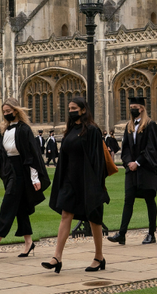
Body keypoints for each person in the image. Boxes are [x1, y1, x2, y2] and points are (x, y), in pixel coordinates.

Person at [43, 97, 109, 273]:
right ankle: (57, 257)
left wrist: (97, 184)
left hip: (87, 180)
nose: (71, 111)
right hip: (70, 180)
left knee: (94, 218)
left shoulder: (93, 131)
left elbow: (97, 160)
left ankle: (99, 257)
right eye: (69, 108)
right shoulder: (70, 131)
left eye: (74, 108)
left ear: (82, 110)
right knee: (66, 214)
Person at [0, 100, 49, 259]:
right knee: (20, 208)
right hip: (9, 170)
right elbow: (0, 155)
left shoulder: (24, 130)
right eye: (3, 111)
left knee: (8, 204)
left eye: (8, 110)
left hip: (22, 172)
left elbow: (30, 155)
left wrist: (34, 178)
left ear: (16, 111)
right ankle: (29, 243)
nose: (6, 114)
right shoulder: (4, 131)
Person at [108, 97, 157, 245]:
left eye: (135, 107)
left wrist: (138, 162)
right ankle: (122, 233)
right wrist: (128, 162)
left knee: (149, 200)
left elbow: (152, 147)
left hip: (146, 169)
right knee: (128, 200)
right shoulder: (128, 126)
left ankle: (152, 234)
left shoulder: (151, 125)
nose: (132, 109)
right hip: (132, 171)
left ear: (142, 108)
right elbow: (125, 147)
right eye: (131, 106)